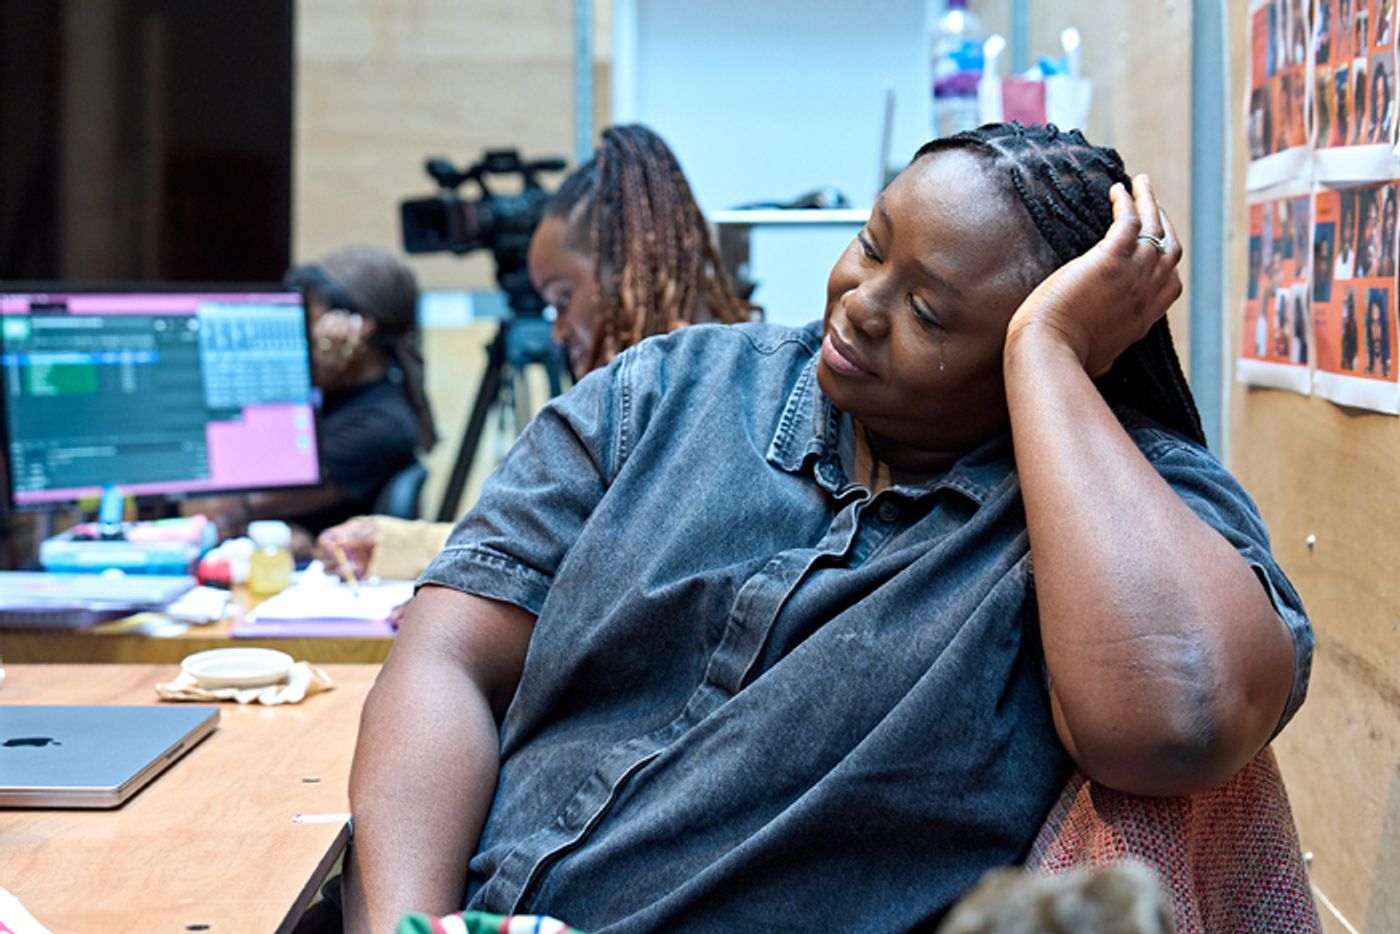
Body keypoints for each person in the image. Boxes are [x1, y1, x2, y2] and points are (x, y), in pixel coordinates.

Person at [339, 124, 1311, 932]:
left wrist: (1048, 357)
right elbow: (447, 657)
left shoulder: (1124, 503)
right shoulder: (667, 392)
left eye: (929, 311)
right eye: (873, 241)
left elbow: (1171, 725)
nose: (861, 302)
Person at [315, 125, 755, 579]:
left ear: (626, 274)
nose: (560, 332)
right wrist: (400, 547)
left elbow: (609, 574)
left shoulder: (714, 409)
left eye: (564, 300)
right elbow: (568, 543)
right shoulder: (679, 389)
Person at [190, 245, 436, 543]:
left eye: (308, 317)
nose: (298, 331)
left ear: (358, 328)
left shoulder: (379, 425)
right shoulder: (332, 395)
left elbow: (228, 504)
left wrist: (305, 386)